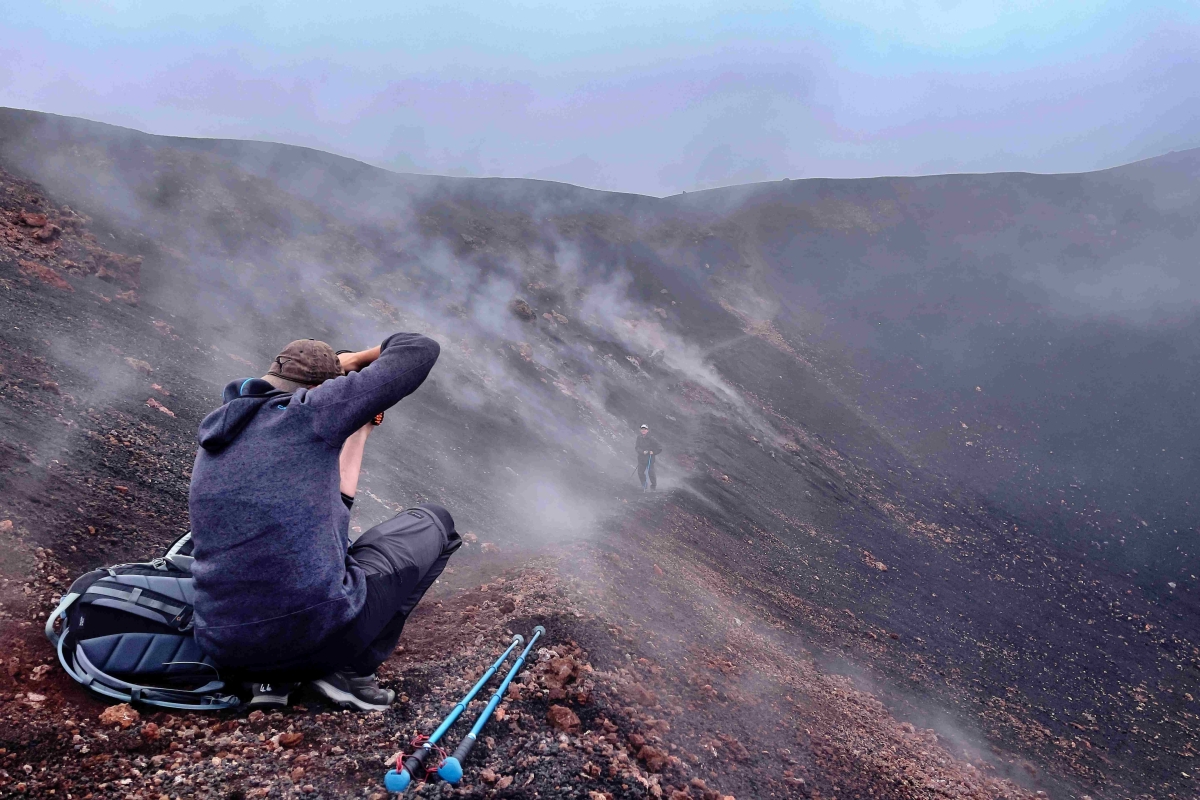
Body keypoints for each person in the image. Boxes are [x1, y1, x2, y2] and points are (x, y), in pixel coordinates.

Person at [188, 335, 460, 711]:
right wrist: (351, 362)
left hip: (227, 647)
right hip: (311, 638)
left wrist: (359, 433)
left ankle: (272, 681)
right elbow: (418, 348)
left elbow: (338, 508)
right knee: (436, 523)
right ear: (320, 391)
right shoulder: (310, 412)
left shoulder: (223, 434)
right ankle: (351, 672)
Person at [634, 424, 663, 491]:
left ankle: (653, 487)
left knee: (651, 473)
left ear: (647, 430)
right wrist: (642, 452)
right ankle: (644, 485)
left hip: (650, 459)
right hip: (641, 459)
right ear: (640, 430)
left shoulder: (652, 439)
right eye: (642, 429)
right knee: (640, 473)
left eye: (645, 429)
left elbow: (660, 448)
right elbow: (637, 447)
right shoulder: (639, 438)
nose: (643, 430)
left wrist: (653, 452)